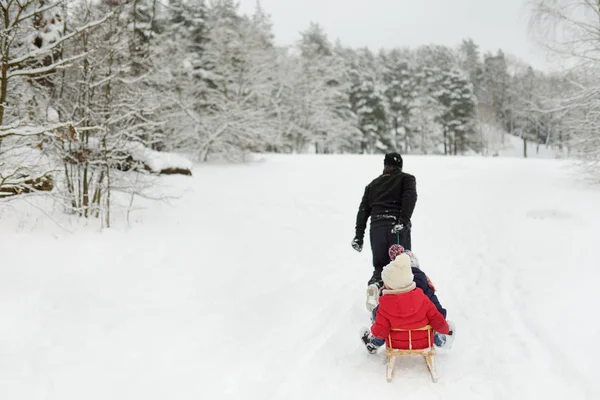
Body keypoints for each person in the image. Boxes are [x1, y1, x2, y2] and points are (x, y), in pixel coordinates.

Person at [360, 253, 455, 354]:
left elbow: (381, 331)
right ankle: (442, 341)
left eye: (386, 282)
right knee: (430, 327)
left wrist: (374, 329)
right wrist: (445, 329)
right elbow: (437, 319)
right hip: (422, 342)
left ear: (392, 285)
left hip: (397, 344)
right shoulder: (423, 298)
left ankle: (373, 343)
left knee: (385, 329)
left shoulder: (384, 306)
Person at [351, 152, 417, 291]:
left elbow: (362, 212)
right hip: (396, 227)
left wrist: (359, 237)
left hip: (377, 229)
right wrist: (403, 220)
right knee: (401, 265)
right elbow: (410, 197)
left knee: (380, 266)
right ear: (400, 166)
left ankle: (375, 286)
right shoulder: (407, 179)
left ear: (385, 165)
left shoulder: (372, 185)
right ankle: (400, 303)